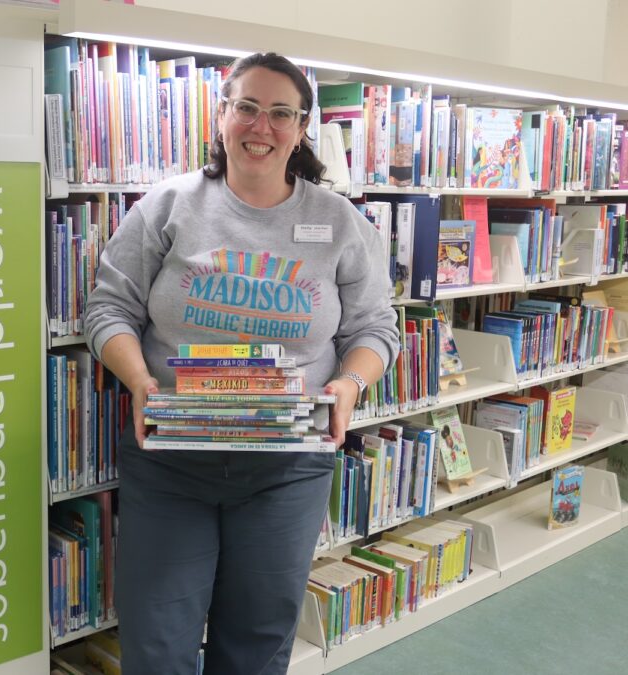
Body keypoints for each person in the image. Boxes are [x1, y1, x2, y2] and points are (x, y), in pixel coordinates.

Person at [83, 52, 400, 674]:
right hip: (172, 460)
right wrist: (140, 380)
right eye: (247, 107)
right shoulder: (167, 206)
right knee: (158, 642)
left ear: (303, 127)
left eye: (281, 113)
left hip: (288, 465)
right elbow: (108, 310)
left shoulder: (339, 223)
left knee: (257, 639)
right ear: (222, 115)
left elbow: (375, 327)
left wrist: (350, 383)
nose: (262, 126)